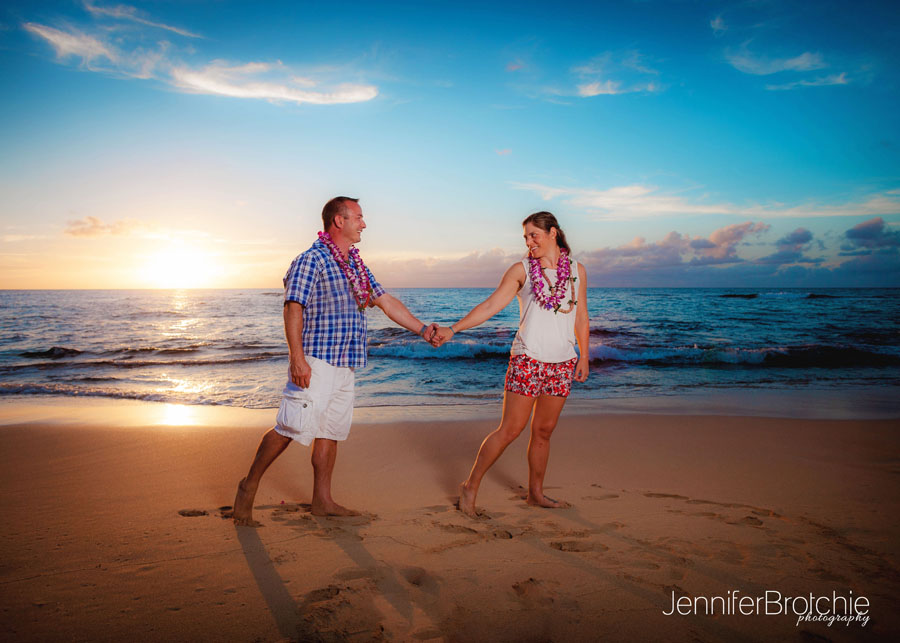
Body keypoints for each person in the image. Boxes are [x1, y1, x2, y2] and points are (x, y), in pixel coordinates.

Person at [232, 196, 435, 525]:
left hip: (346, 362)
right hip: (317, 359)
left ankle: (322, 501)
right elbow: (293, 306)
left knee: (330, 431)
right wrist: (297, 358)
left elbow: (384, 300)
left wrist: (423, 329)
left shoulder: (355, 264)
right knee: (289, 426)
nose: (364, 224)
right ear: (338, 221)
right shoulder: (311, 259)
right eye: (359, 217)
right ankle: (248, 486)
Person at [430, 211, 589, 516]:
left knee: (544, 431)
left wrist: (585, 355)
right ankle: (470, 485)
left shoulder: (578, 271)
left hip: (562, 362)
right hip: (528, 358)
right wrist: (454, 329)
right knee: (511, 429)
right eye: (526, 238)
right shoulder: (522, 270)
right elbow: (491, 305)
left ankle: (535, 494)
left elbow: (581, 315)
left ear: (553, 233)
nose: (529, 242)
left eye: (534, 236)